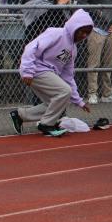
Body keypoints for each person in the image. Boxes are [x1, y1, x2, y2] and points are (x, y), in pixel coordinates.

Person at [9, 9, 93, 138]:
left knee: (56, 103)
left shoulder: (73, 49)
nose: (83, 35)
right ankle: (46, 124)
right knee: (64, 91)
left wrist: (79, 101)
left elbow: (68, 77)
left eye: (87, 33)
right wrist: (27, 71)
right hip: (36, 70)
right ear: (74, 26)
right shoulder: (57, 33)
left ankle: (20, 115)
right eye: (81, 31)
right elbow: (31, 47)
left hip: (46, 73)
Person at [77, 0, 112, 104]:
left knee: (108, 64)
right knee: (94, 63)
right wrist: (97, 11)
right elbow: (81, 2)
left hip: (110, 31)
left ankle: (107, 93)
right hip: (95, 29)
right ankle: (92, 93)